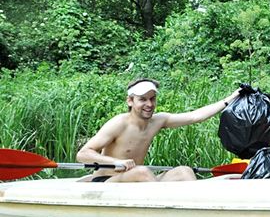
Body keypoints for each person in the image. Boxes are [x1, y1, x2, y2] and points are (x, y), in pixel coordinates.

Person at [77, 78, 242, 182]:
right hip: (107, 182)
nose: (149, 104)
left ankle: (195, 208)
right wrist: (115, 162)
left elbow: (195, 116)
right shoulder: (119, 123)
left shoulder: (158, 120)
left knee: (184, 171)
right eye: (142, 99)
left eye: (152, 99)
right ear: (130, 101)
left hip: (137, 180)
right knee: (141, 172)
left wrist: (232, 97)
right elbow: (83, 154)